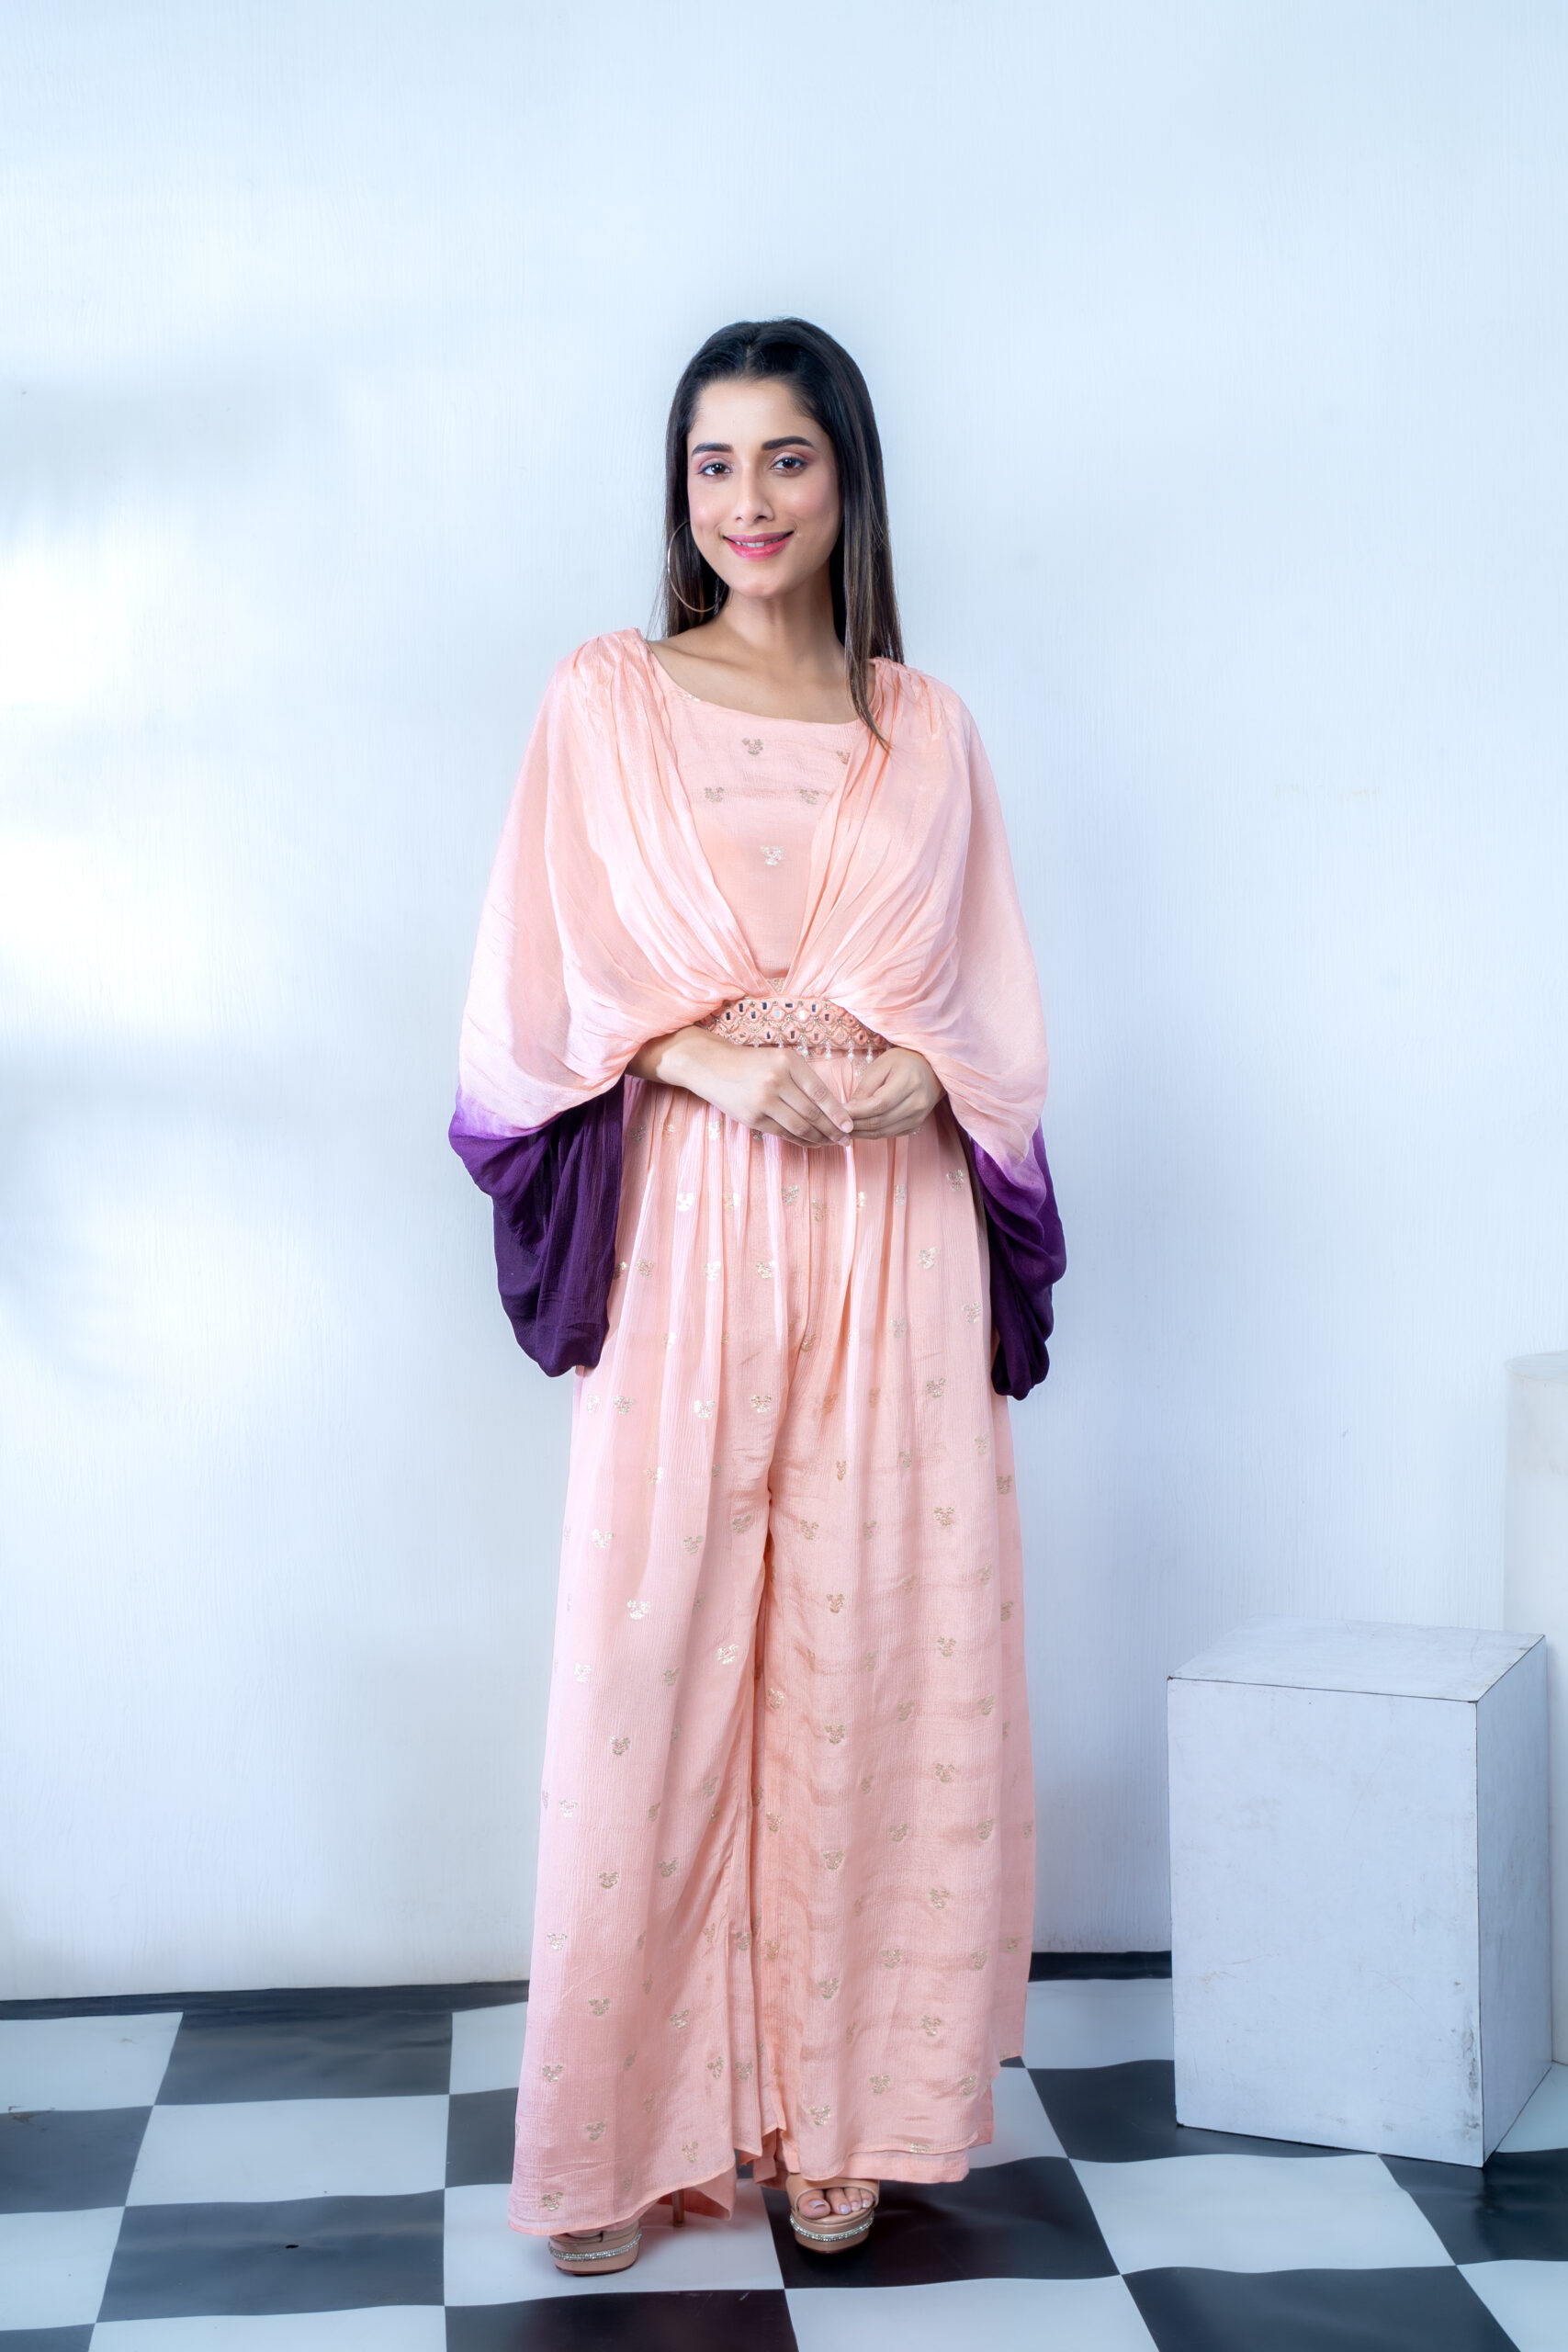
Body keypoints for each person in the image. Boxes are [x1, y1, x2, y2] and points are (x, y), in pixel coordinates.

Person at [450, 316, 1065, 2276]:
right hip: (697, 1210)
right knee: (657, 1648)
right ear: (680, 490)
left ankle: (842, 2106)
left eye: (785, 459)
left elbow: (990, 1002)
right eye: (713, 463)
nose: (747, 501)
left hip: (895, 1221)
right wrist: (712, 1058)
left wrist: (922, 1081)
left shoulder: (927, 727)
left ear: (847, 477)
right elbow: (538, 978)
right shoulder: (609, 697)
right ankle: (621, 2133)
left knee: (878, 1645)